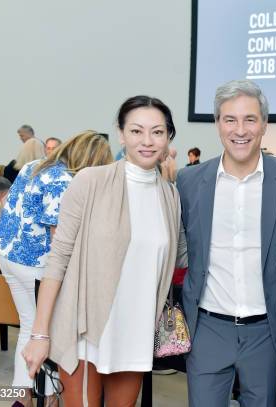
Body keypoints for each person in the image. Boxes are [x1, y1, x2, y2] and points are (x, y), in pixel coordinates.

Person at [22, 96, 188, 406]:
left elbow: (179, 258)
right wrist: (40, 334)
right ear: (121, 134)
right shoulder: (90, 182)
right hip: (86, 327)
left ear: (169, 137)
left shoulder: (170, 196)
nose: (147, 141)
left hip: (136, 328)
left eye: (158, 132)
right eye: (137, 131)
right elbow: (58, 260)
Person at [177, 80, 276, 407]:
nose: (240, 129)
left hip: (266, 331)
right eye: (230, 119)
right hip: (207, 328)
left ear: (264, 124)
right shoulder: (189, 181)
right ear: (218, 124)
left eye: (250, 119)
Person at [0, 131, 112, 407]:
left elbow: (8, 204)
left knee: (29, 328)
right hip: (34, 263)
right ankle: (49, 397)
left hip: (8, 253)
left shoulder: (37, 165)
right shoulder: (64, 180)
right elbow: (60, 237)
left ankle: (21, 398)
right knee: (46, 333)